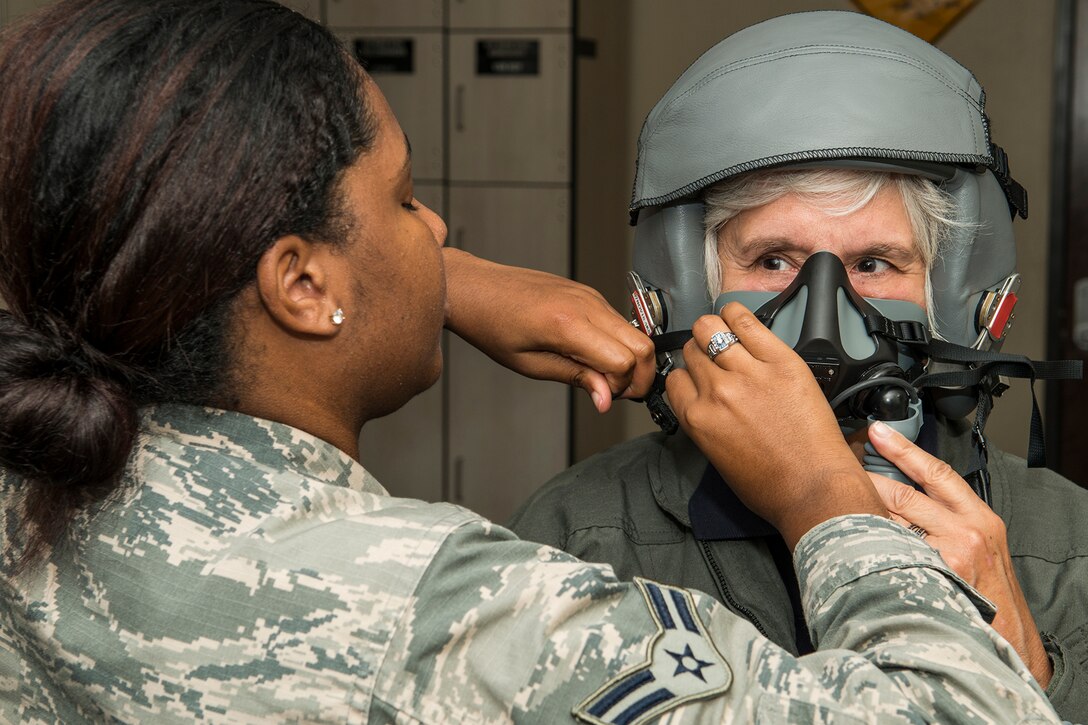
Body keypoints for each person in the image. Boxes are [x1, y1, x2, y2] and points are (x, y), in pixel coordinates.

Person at [0, 2, 1060, 722]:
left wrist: (431, 278)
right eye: (409, 202)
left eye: (875, 261)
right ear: (300, 282)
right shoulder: (467, 599)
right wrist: (827, 499)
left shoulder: (29, 487)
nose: (444, 226)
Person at [510, 10, 1088, 721]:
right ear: (691, 293)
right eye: (772, 259)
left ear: (959, 299)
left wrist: (1039, 676)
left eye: (873, 263)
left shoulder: (1066, 543)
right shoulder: (582, 536)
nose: (821, 321)